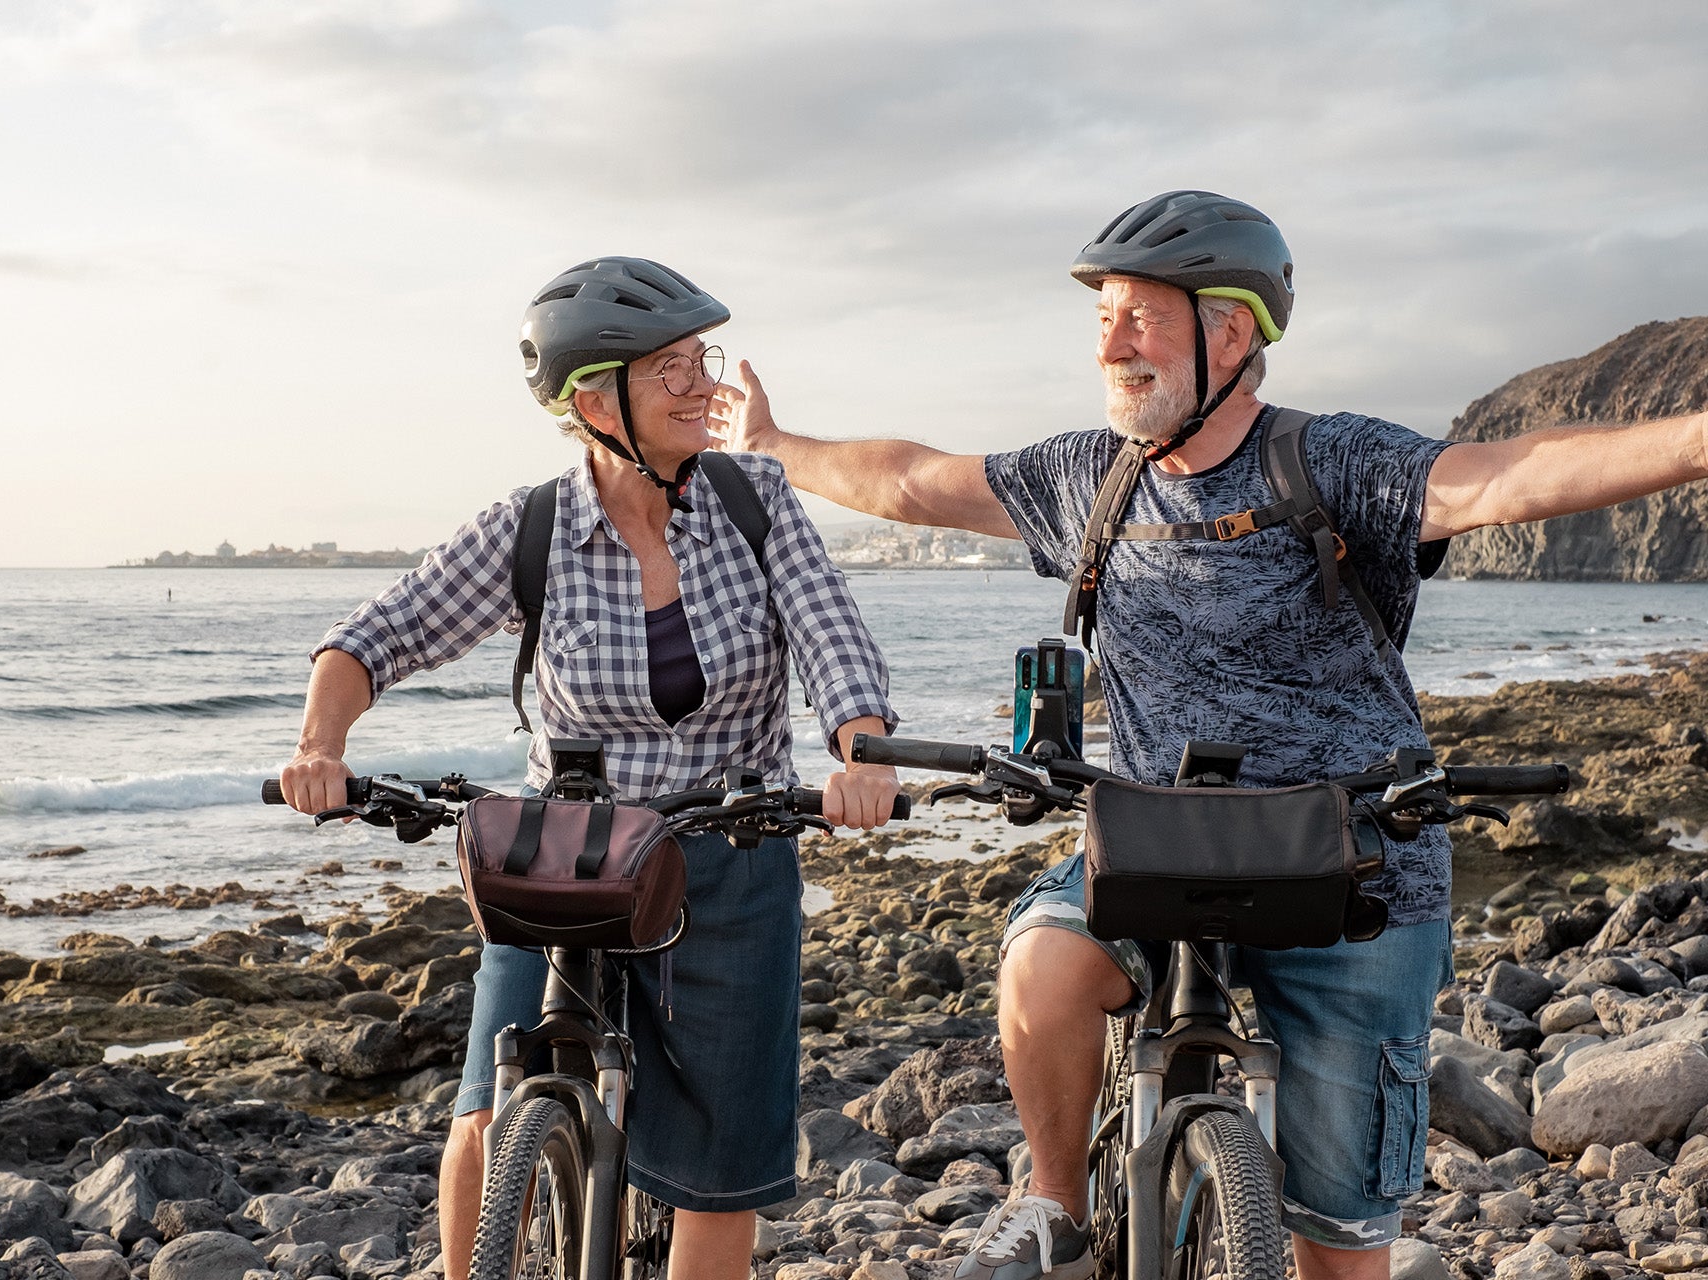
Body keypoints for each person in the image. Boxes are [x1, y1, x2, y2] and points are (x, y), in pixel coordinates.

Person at [710, 191, 1708, 1280]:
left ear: (1231, 332)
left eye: (1142, 315)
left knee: (1339, 1245)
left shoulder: (1329, 463)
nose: (1113, 341)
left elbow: (1503, 480)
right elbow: (913, 481)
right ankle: (1054, 1204)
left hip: (1354, 856)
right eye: (1104, 319)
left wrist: (1698, 439)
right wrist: (773, 444)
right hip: (1159, 841)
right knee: (1042, 966)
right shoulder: (1088, 477)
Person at [279, 256, 902, 1280]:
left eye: (699, 359)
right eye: (671, 368)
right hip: (570, 855)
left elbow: (835, 642)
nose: (703, 384)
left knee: (719, 1164)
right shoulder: (534, 525)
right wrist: (321, 746)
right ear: (591, 397)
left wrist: (858, 751)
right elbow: (375, 635)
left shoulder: (757, 502)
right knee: (486, 1106)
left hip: (729, 849)